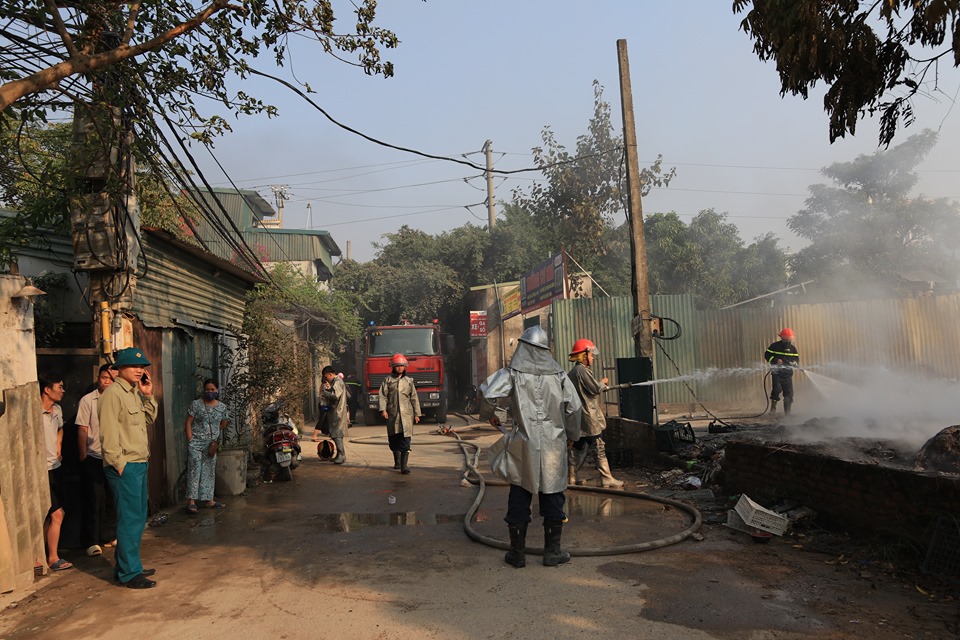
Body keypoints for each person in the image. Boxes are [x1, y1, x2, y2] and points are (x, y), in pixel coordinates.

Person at [480, 326, 582, 568]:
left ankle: (517, 554)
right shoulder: (559, 376)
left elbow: (487, 393)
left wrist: (491, 415)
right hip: (553, 445)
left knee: (519, 492)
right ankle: (552, 552)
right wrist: (571, 435)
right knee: (553, 495)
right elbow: (574, 408)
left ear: (523, 347)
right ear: (546, 350)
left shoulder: (512, 374)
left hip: (523, 444)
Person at [98, 347, 158, 589]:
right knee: (130, 519)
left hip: (139, 462)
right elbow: (108, 435)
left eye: (142, 367)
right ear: (119, 369)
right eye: (134, 366)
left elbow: (148, 419)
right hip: (125, 466)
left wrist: (147, 395)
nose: (139, 370)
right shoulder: (113, 394)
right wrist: (120, 465)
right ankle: (129, 573)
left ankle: (126, 565)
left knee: (137, 516)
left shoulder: (134, 392)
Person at [566, 338, 624, 488]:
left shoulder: (573, 372)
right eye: (591, 354)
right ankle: (606, 478)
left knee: (577, 447)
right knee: (598, 445)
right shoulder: (582, 371)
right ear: (584, 355)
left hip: (578, 416)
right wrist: (603, 382)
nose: (593, 357)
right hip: (588, 416)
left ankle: (571, 478)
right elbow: (594, 389)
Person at [75, 365, 117, 557]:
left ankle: (108, 536)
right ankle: (91, 540)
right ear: (98, 378)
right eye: (104, 377)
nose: (107, 381)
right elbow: (82, 428)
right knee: (94, 499)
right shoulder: (88, 400)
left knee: (112, 499)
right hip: (94, 456)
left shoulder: (118, 399)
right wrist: (83, 455)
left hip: (113, 457)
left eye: (110, 378)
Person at [38, 375, 73, 573]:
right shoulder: (34, 411)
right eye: (59, 387)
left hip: (55, 468)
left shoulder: (57, 410)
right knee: (56, 514)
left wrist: (58, 444)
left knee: (53, 514)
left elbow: (60, 429)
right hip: (41, 470)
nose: (63, 390)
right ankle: (52, 557)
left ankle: (43, 556)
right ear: (47, 390)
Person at [184, 379, 229, 514]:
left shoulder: (222, 407)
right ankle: (191, 501)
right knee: (195, 470)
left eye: (212, 390)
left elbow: (224, 423)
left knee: (208, 471)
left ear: (217, 391)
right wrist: (190, 439)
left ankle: (208, 500)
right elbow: (188, 423)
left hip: (211, 445)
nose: (210, 392)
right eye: (207, 389)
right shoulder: (196, 404)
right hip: (196, 443)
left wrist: (213, 434)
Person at [379, 354, 420, 474]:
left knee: (405, 440)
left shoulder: (409, 381)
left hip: (406, 415)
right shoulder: (387, 380)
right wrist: (383, 410)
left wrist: (417, 414)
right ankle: (397, 462)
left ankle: (404, 466)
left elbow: (414, 398)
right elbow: (382, 396)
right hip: (392, 414)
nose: (400, 368)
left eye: (402, 366)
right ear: (393, 366)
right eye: (397, 366)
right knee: (393, 440)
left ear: (406, 367)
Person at [765, 328, 800, 415]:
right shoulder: (775, 346)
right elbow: (767, 355)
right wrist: (776, 360)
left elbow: (796, 358)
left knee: (789, 393)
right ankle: (773, 408)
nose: (788, 341)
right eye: (786, 339)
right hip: (777, 373)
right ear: (782, 338)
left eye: (789, 339)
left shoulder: (793, 349)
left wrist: (795, 362)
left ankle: (787, 414)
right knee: (777, 389)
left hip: (787, 374)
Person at [320, 366, 348, 464]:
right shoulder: (335, 383)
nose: (326, 379)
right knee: (335, 434)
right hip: (334, 411)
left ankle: (341, 455)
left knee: (337, 434)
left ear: (330, 374)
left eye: (326, 377)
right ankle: (340, 455)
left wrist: (324, 393)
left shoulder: (338, 382)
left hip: (337, 412)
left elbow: (335, 396)